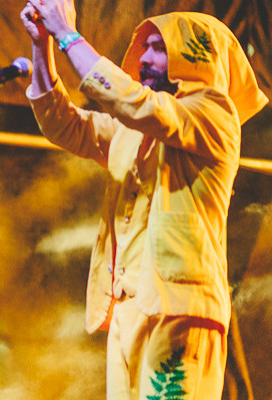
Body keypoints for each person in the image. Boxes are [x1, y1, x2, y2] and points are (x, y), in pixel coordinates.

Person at [20, 1, 267, 398]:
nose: (145, 59)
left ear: (196, 59)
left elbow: (135, 103)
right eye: (145, 48)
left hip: (180, 311)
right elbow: (67, 125)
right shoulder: (135, 127)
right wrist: (42, 45)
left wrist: (67, 35)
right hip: (127, 310)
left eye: (159, 48)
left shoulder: (213, 114)